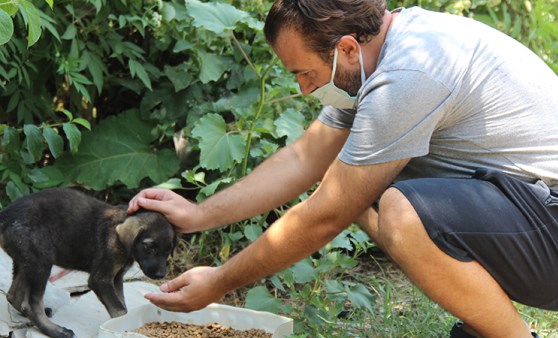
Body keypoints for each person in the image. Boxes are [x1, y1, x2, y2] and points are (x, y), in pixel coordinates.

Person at [128, 0, 558, 337]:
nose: (302, 89)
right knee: (362, 183)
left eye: (304, 73)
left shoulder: (408, 74)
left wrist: (221, 281)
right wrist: (199, 214)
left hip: (550, 224)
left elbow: (326, 215)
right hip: (531, 214)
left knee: (399, 210)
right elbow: (306, 157)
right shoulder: (380, 53)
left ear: (347, 48)